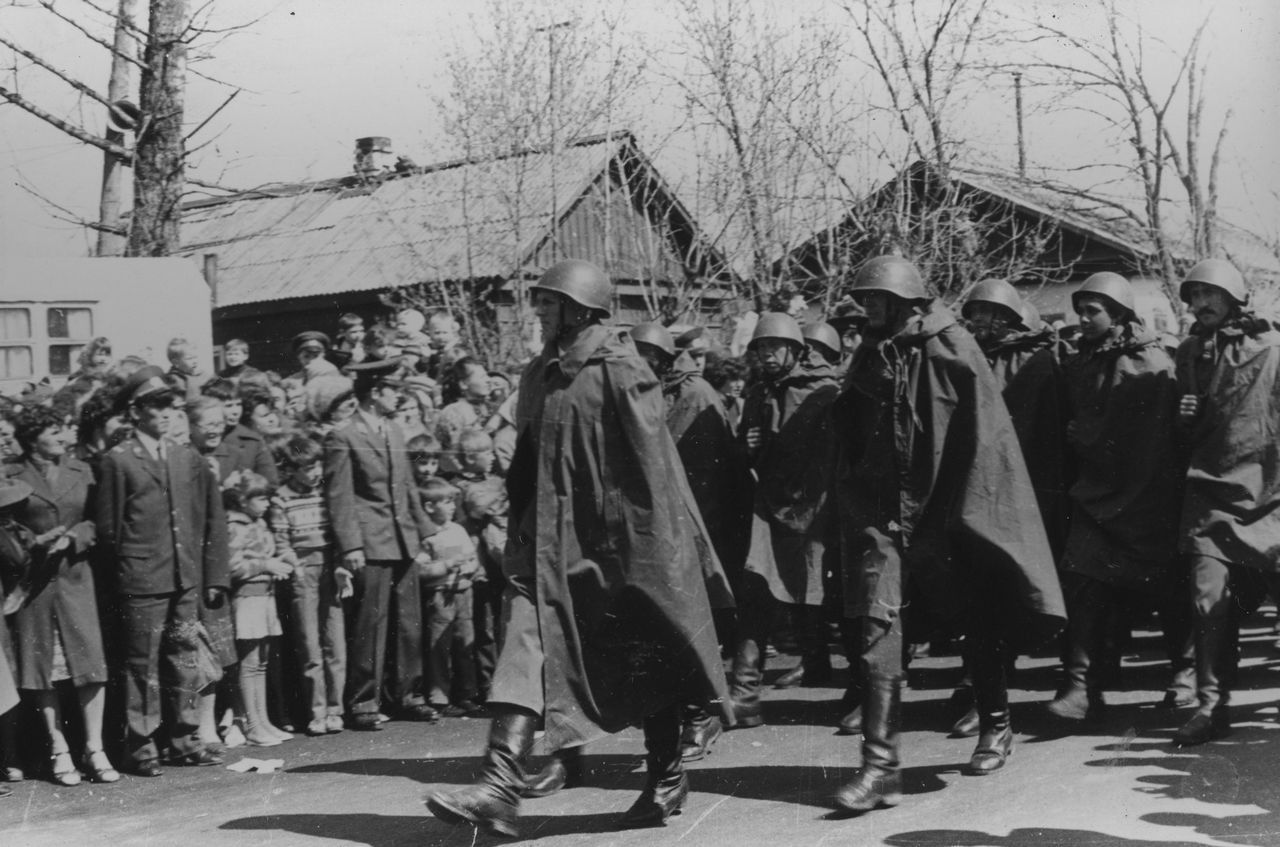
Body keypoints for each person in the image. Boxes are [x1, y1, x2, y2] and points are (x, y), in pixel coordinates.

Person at [425, 259, 732, 836]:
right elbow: (526, 460)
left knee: (645, 653)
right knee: (523, 646)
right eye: (538, 301)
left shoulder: (621, 369)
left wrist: (651, 554)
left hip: (617, 549)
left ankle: (666, 777)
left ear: (580, 308)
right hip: (543, 548)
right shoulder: (539, 372)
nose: (537, 311)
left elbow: (654, 470)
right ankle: (498, 786)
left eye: (548, 301)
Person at [831, 256, 1065, 814]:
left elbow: (986, 444)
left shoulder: (953, 349)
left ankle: (997, 722)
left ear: (906, 303)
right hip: (887, 519)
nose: (867, 310)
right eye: (864, 300)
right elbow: (854, 435)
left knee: (975, 622)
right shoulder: (871, 353)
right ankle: (880, 768)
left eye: (876, 300)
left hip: (948, 512)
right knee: (876, 628)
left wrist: (965, 516)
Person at [1048, 273, 1182, 724]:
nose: (1083, 319)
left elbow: (1151, 433)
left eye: (1094, 311)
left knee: (1169, 586)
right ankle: (1081, 685)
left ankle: (1185, 676)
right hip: (1096, 492)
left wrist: (1089, 434)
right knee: (1082, 582)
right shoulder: (1081, 359)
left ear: (1119, 314)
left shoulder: (1150, 361)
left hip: (1146, 494)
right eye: (1080, 310)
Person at [96, 365, 230, 776]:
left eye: (171, 406)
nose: (167, 414)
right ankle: (140, 745)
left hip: (185, 578)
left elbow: (211, 519)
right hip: (142, 580)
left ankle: (184, 738)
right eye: (156, 407)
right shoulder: (117, 461)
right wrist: (126, 575)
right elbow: (109, 530)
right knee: (142, 665)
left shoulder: (185, 456)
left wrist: (214, 576)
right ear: (135, 412)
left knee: (183, 657)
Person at [1172, 259, 1280, 746]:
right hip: (1210, 496)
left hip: (1270, 495)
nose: (1198, 304)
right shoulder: (1189, 352)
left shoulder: (1273, 349)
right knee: (1207, 601)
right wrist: (1185, 415)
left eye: (1207, 294)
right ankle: (1211, 706)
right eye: (1192, 297)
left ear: (1234, 297)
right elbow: (1187, 436)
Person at [633, 321, 751, 761]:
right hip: (653, 531)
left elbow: (717, 478)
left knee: (690, 629)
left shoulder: (695, 395)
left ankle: (702, 717)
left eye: (651, 355)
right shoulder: (638, 393)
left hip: (694, 532)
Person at [730, 312, 839, 727]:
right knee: (755, 591)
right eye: (760, 348)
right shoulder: (759, 393)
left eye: (774, 347)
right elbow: (745, 453)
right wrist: (749, 445)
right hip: (770, 507)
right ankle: (744, 695)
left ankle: (855, 688)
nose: (767, 355)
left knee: (825, 596)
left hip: (815, 511)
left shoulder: (824, 391)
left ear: (795, 349)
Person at [324, 358, 438, 729]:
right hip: (370, 542)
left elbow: (406, 486)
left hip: (403, 539)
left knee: (409, 623)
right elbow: (340, 497)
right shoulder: (343, 435)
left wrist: (425, 533)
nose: (399, 399)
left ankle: (407, 695)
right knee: (370, 625)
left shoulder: (394, 430)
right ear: (375, 394)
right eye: (394, 391)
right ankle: (363, 701)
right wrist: (350, 546)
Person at [9, 407, 117, 785]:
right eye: (53, 430)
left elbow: (98, 520)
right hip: (33, 585)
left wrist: (75, 537)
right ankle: (60, 750)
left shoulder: (81, 469)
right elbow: (5, 528)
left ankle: (95, 747)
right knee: (43, 671)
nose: (62, 435)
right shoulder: (9, 474)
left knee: (90, 667)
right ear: (32, 436)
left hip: (75, 578)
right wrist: (32, 544)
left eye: (63, 428)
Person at [270, 434, 349, 736]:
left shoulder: (327, 493)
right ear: (292, 469)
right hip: (303, 571)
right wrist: (295, 566)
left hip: (331, 568)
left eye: (317, 466)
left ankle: (335, 709)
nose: (314, 473)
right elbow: (281, 540)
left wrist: (341, 565)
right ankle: (316, 712)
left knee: (335, 642)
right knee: (310, 644)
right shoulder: (281, 498)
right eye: (307, 468)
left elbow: (340, 531)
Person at [224, 471, 293, 747]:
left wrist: (279, 562)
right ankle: (252, 725)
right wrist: (266, 565)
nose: (267, 503)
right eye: (261, 498)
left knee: (261, 663)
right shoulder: (235, 525)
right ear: (243, 500)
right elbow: (231, 566)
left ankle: (262, 721)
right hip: (247, 600)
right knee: (250, 664)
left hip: (265, 597)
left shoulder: (259, 523)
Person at [416, 477, 481, 716]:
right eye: (446, 502)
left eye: (453, 501)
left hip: (464, 593)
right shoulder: (427, 536)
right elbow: (421, 570)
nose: (453, 506)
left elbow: (472, 558)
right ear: (430, 507)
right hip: (441, 596)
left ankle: (467, 694)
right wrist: (447, 565)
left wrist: (469, 568)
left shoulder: (458, 530)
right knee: (439, 648)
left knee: (465, 645)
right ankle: (439, 697)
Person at [166, 337, 209, 403]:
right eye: (190, 358)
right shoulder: (176, 378)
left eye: (195, 357)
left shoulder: (202, 374)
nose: (195, 361)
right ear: (176, 362)